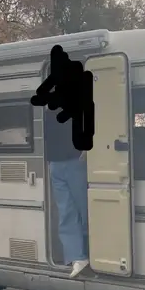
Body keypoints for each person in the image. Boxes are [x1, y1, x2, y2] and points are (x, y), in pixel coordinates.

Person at [44, 105, 90, 278]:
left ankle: (80, 256)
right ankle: (81, 256)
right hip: (67, 162)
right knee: (77, 210)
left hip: (64, 161)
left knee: (74, 211)